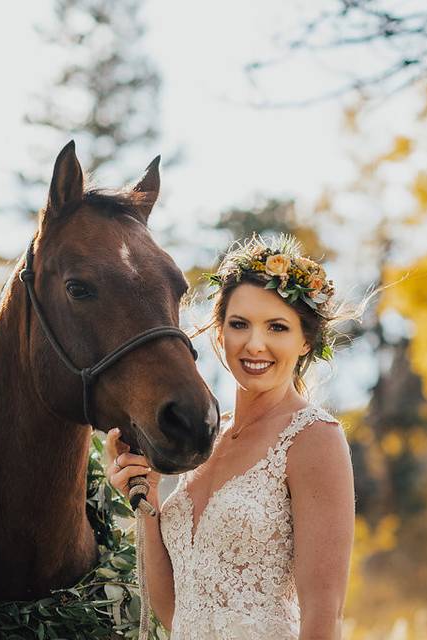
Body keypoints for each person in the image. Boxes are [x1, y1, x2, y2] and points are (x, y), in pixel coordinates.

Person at [106, 234, 355, 639]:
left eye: (277, 327)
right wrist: (149, 502)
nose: (255, 344)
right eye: (239, 324)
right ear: (219, 332)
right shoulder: (208, 439)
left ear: (305, 340)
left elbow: (324, 616)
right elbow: (174, 612)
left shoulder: (314, 438)